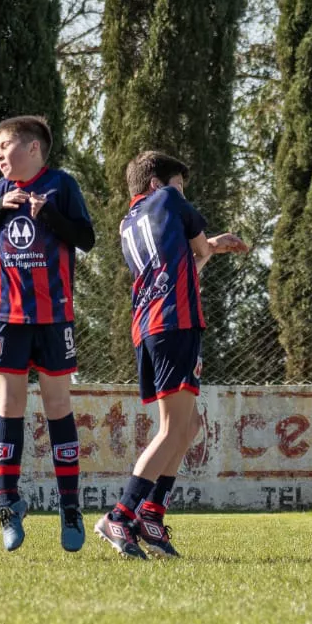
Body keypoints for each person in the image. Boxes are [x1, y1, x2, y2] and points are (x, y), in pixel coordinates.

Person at [94, 151, 248, 559]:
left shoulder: (128, 223)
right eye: (179, 185)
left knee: (188, 424)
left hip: (149, 327)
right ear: (157, 185)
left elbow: (180, 264)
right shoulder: (167, 200)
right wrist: (209, 246)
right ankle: (121, 514)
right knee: (172, 428)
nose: (183, 193)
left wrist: (205, 250)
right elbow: (197, 247)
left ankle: (151, 514)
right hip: (175, 322)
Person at [0, 115, 96, 552]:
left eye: (5, 145)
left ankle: (69, 507)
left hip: (54, 318)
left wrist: (47, 213)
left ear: (32, 149)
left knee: (58, 407)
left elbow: (86, 238)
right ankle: (9, 506)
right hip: (8, 318)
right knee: (9, 406)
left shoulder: (62, 185)